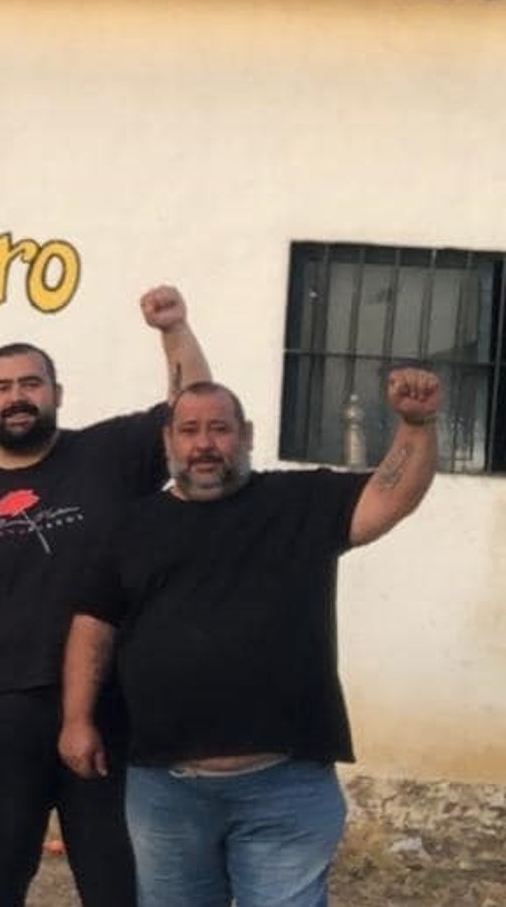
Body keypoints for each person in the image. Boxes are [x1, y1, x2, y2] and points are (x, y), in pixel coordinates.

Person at [61, 372, 440, 907]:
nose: (204, 444)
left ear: (248, 435)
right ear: (169, 442)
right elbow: (94, 623)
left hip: (284, 787)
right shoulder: (129, 527)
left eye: (220, 428)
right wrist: (76, 718)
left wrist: (417, 424)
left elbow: (391, 496)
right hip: (166, 790)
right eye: (189, 431)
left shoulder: (299, 501)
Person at [0, 285, 209, 906]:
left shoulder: (109, 454)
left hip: (107, 708)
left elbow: (192, 412)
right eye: (3, 387)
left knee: (118, 881)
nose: (18, 397)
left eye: (31, 383)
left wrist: (174, 331)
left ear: (56, 393)